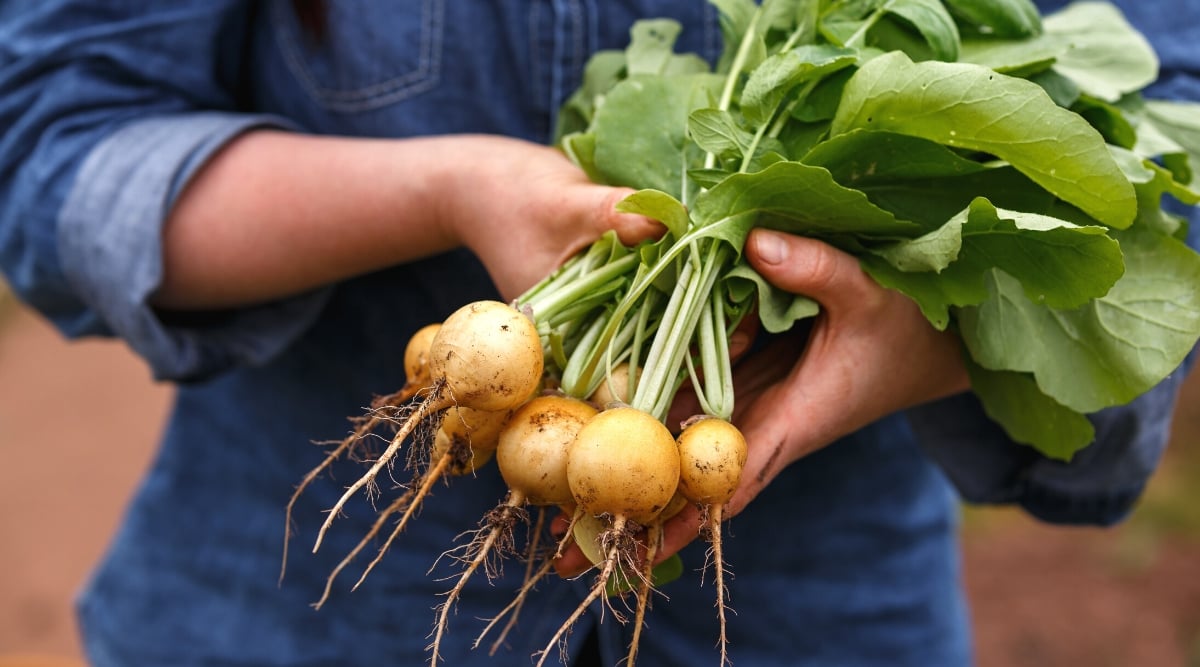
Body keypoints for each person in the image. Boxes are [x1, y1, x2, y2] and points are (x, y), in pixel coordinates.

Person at [0, 1, 1194, 665]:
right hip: (286, 599)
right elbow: (55, 142)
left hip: (821, 613)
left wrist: (921, 335)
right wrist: (445, 187)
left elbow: (1167, 141)